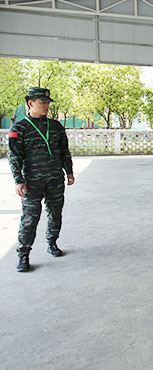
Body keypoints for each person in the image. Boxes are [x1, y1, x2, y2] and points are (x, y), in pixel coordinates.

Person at [8, 87, 75, 272]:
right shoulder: (19, 128)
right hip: (32, 182)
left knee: (55, 213)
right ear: (31, 103)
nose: (46, 106)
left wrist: (69, 171)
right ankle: (23, 254)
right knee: (30, 218)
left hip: (55, 179)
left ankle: (52, 243)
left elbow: (64, 151)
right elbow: (14, 156)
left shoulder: (55, 126)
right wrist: (18, 180)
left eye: (47, 102)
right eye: (42, 102)